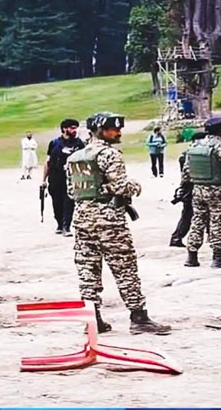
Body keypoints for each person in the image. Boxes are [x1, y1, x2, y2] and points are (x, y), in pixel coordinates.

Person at [66, 112, 170, 335]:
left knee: (87, 270)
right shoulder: (109, 154)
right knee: (125, 268)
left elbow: (71, 191)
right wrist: (135, 186)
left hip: (82, 219)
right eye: (114, 129)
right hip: (109, 220)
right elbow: (121, 186)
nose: (119, 132)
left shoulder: (74, 157)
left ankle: (92, 320)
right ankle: (139, 318)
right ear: (101, 130)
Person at [182, 117, 221, 268]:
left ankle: (192, 256)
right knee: (218, 221)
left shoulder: (195, 144)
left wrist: (184, 186)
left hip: (198, 188)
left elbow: (186, 169)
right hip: (216, 190)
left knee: (197, 220)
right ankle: (218, 257)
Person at [43, 119, 86, 236]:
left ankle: (66, 227)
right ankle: (59, 224)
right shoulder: (54, 143)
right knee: (57, 202)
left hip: (72, 178)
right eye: (72, 128)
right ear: (64, 129)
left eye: (76, 128)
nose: (75, 130)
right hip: (55, 177)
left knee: (69, 202)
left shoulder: (79, 144)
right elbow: (48, 162)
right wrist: (43, 180)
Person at [169, 132, 207, 247]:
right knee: (188, 214)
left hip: (192, 186)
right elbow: (186, 174)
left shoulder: (189, 153)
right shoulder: (191, 153)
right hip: (192, 187)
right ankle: (177, 237)